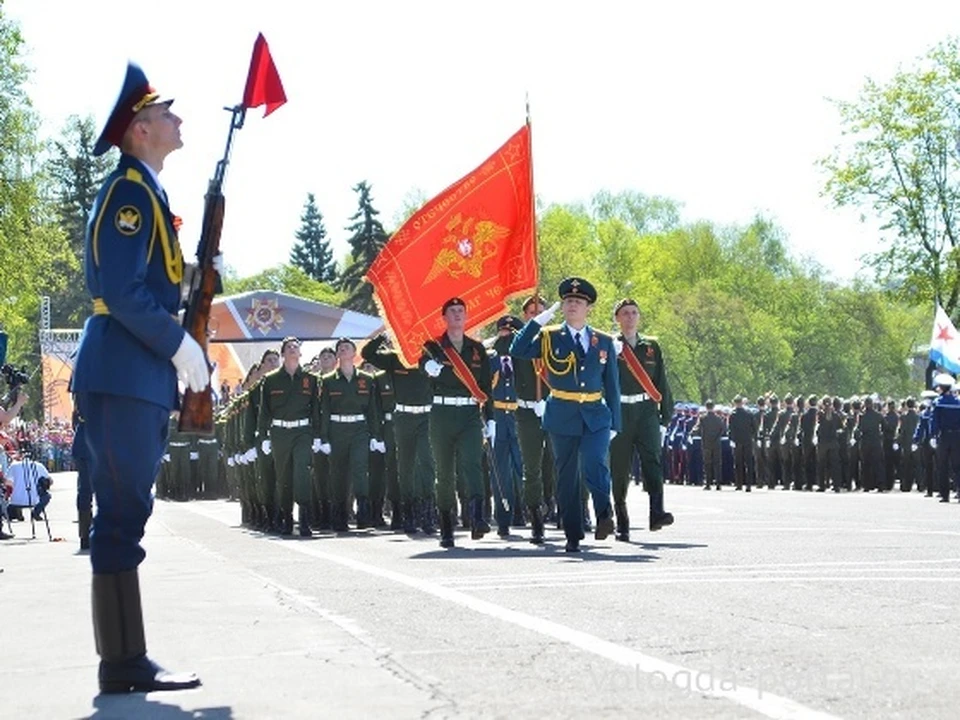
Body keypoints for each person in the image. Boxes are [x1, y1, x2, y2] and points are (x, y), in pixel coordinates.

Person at [69, 62, 208, 692]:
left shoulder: (146, 192)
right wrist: (179, 342)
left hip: (133, 375)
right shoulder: (130, 193)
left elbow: (148, 283)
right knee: (121, 516)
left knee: (127, 514)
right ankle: (122, 663)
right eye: (167, 113)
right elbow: (122, 291)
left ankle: (125, 659)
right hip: (125, 373)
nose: (178, 120)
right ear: (142, 129)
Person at [510, 277, 620, 553]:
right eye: (568, 301)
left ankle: (604, 514)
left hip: (595, 414)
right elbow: (517, 349)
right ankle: (573, 533)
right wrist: (539, 320)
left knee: (596, 463)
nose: (573, 305)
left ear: (588, 308)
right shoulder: (549, 337)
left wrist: (616, 423)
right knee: (567, 474)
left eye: (578, 302)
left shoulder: (604, 341)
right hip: (562, 415)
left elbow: (613, 386)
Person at [420, 297, 495, 548]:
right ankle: (446, 526)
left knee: (473, 465)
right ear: (444, 317)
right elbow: (422, 369)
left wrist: (491, 419)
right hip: (441, 414)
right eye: (452, 311)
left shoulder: (476, 349)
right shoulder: (433, 348)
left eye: (461, 311)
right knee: (444, 472)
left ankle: (476, 517)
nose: (457, 315)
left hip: (469, 415)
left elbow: (485, 387)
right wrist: (426, 366)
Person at [609, 298, 675, 539]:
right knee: (620, 468)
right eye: (625, 313)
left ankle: (657, 512)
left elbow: (661, 382)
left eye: (634, 312)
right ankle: (622, 520)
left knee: (653, 462)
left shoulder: (651, 347)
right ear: (617, 318)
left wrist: (664, 418)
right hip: (620, 412)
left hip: (646, 411)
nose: (630, 317)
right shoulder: (610, 345)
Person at [257, 337, 321, 536]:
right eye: (289, 348)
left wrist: (318, 436)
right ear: (283, 354)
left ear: (300, 353)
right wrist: (263, 437)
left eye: (296, 347)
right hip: (280, 433)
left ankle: (304, 519)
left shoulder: (311, 379)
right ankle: (285, 518)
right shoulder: (271, 380)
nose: (293, 350)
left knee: (302, 472)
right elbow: (264, 411)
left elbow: (316, 410)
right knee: (283, 476)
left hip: (303, 432)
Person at [318, 338, 382, 531]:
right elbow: (324, 410)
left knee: (360, 470)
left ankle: (363, 512)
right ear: (338, 355)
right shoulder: (328, 381)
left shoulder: (367, 379)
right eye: (340, 348)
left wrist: (375, 435)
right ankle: (340, 515)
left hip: (359, 430)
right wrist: (324, 438)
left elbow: (372, 410)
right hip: (337, 430)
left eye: (347, 347)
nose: (343, 350)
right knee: (338, 474)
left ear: (354, 354)